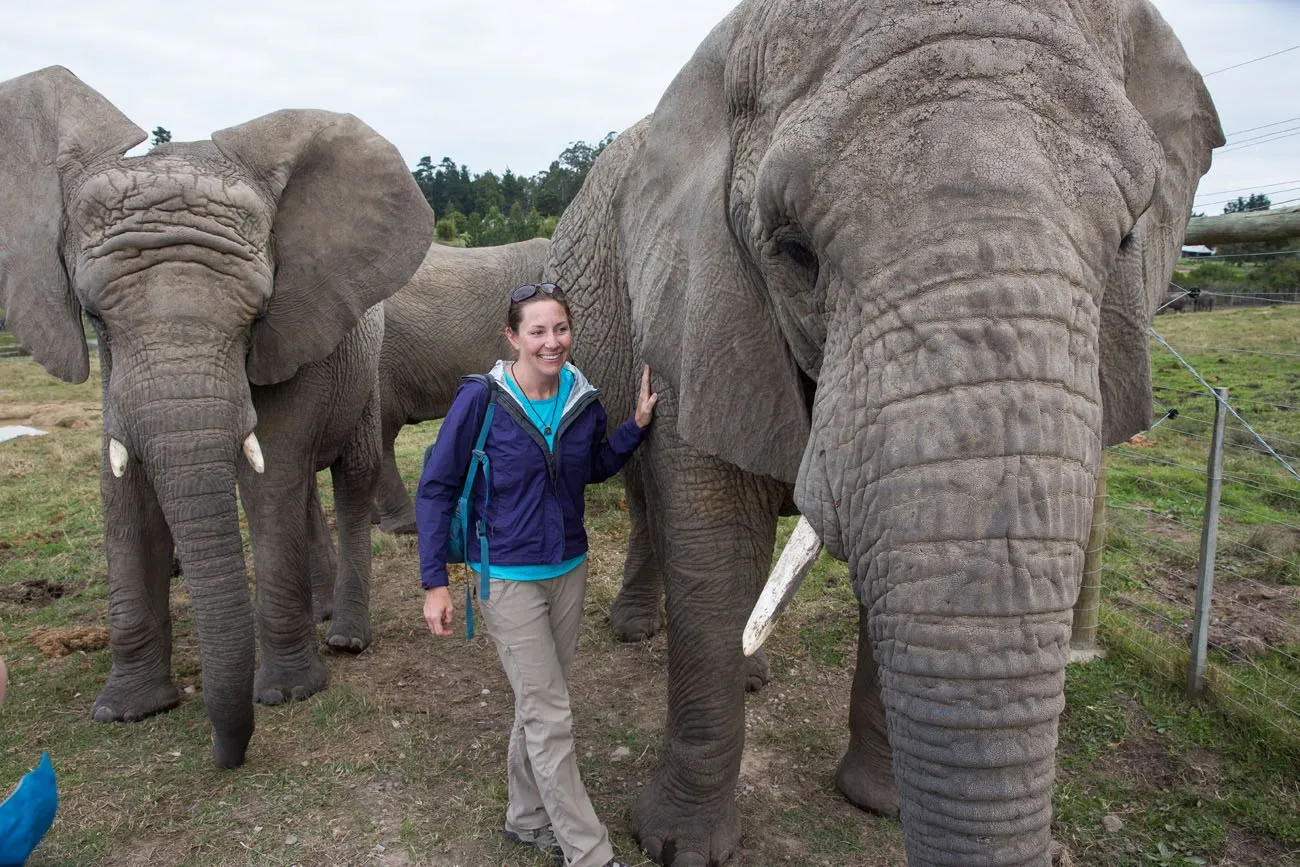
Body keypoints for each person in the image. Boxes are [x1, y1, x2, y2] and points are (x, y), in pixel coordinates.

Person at [416, 281, 655, 867]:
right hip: (506, 577)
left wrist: (634, 428)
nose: (552, 342)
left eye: (560, 329)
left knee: (539, 703)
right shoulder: (482, 400)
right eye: (538, 331)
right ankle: (588, 852)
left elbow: (592, 468)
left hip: (568, 569)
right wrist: (434, 581)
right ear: (513, 337)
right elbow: (437, 488)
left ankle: (525, 819)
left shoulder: (583, 400)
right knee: (550, 715)